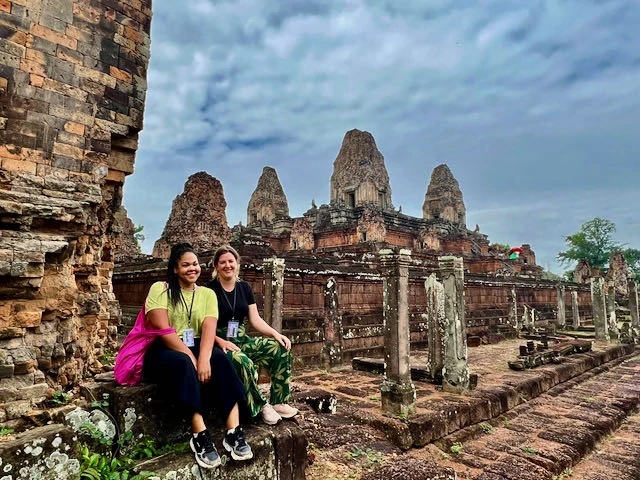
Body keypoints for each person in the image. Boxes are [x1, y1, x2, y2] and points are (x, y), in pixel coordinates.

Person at [143, 243, 252, 469]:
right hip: (164, 348)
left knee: (221, 359)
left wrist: (203, 359)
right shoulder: (160, 289)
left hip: (196, 344)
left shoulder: (207, 294)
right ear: (175, 268)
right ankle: (199, 434)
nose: (192, 269)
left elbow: (209, 329)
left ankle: (233, 431)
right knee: (184, 363)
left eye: (195, 264)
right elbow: (163, 330)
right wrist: (193, 359)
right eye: (185, 265)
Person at [205, 245, 298, 426]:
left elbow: (255, 320)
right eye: (222, 262)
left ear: (237, 263)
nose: (227, 265)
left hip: (241, 339)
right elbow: (200, 326)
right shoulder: (208, 290)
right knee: (242, 361)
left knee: (280, 348)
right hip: (218, 343)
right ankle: (261, 405)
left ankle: (279, 401)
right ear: (216, 266)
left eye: (231, 261)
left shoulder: (244, 288)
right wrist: (219, 340)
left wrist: (275, 334)